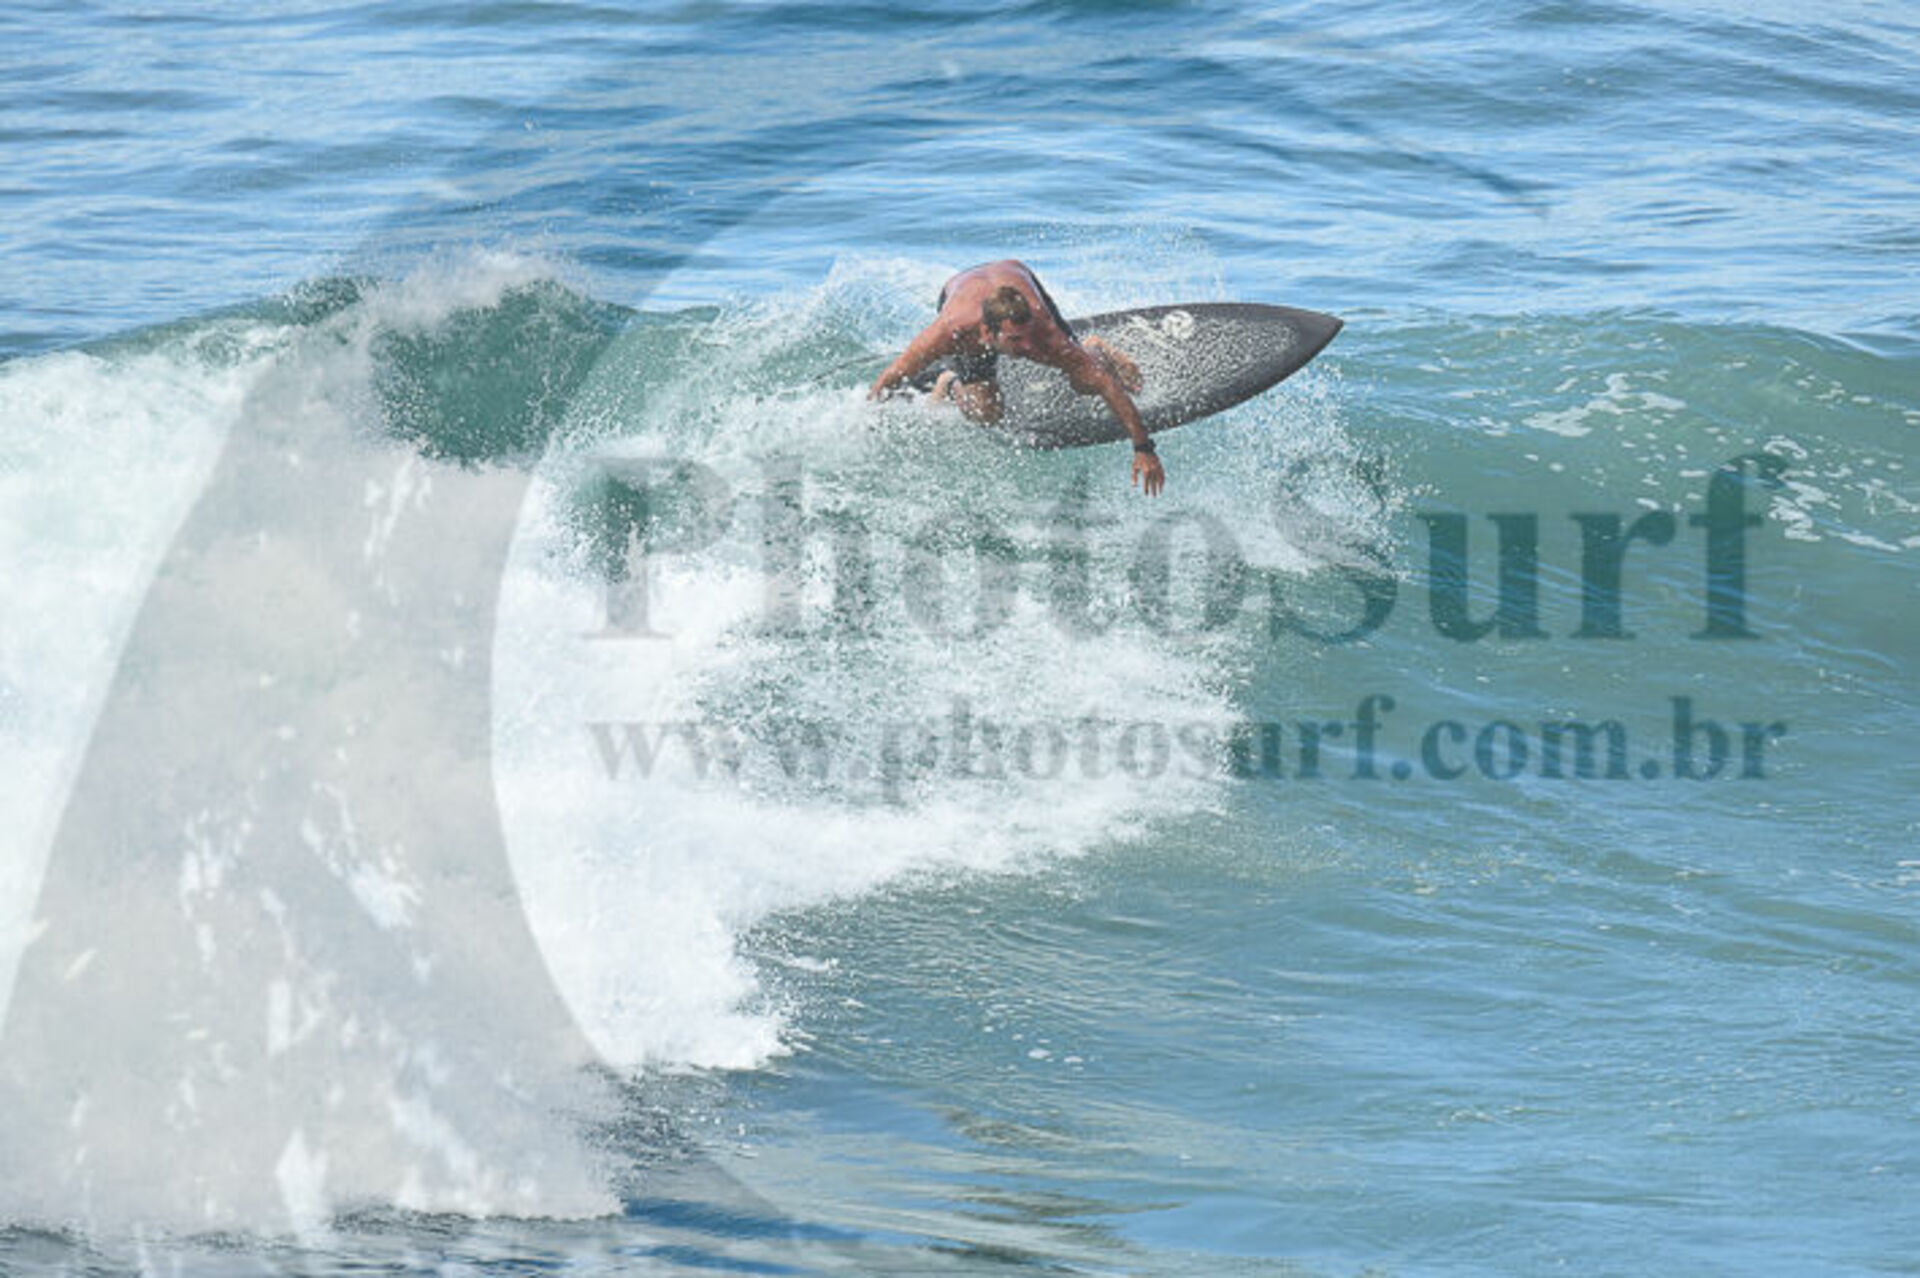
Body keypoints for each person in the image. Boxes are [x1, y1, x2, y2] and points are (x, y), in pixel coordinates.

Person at [868, 261, 1164, 495]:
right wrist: (866, 418)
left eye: (1027, 337)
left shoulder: (1043, 333)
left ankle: (1094, 348)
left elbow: (1106, 386)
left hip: (1018, 275)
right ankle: (949, 381)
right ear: (987, 332)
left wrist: (1143, 448)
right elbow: (893, 374)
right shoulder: (951, 332)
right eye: (1014, 340)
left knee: (1085, 381)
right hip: (960, 290)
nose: (1026, 348)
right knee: (985, 413)